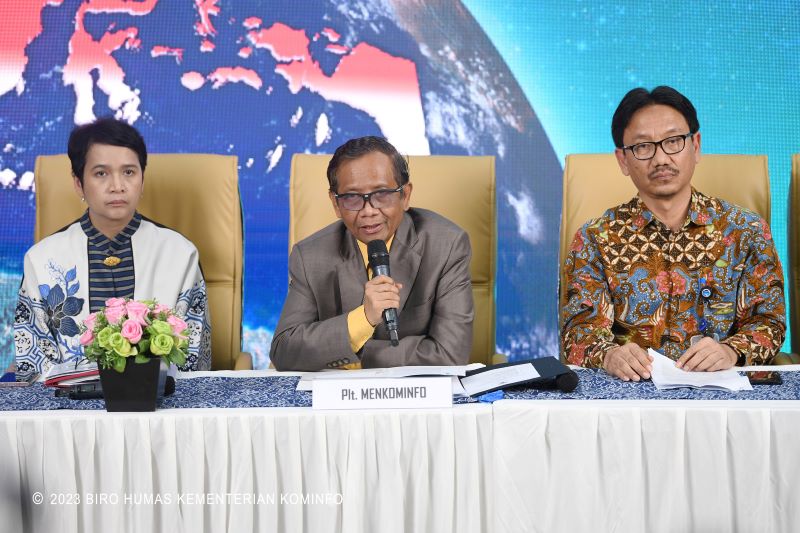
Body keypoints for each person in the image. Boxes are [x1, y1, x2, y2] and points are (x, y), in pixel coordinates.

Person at [561, 86, 785, 381]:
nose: (661, 159)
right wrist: (609, 355)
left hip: (720, 392)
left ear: (696, 145)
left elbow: (769, 321)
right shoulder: (595, 238)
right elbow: (578, 332)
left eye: (673, 141)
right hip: (630, 394)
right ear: (623, 160)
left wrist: (731, 350)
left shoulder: (746, 231)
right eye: (643, 147)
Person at [14, 117, 211, 380]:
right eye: (101, 173)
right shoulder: (41, 259)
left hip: (157, 400)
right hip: (67, 402)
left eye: (129, 172)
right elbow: (34, 370)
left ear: (142, 179)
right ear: (78, 183)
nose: (117, 186)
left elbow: (193, 365)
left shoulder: (180, 254)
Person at [270, 136, 474, 370]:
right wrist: (363, 319)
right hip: (340, 393)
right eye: (352, 198)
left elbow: (451, 354)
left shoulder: (447, 245)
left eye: (382, 194)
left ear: (405, 195)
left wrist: (353, 357)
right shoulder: (310, 256)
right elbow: (284, 352)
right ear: (336, 204)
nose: (369, 211)